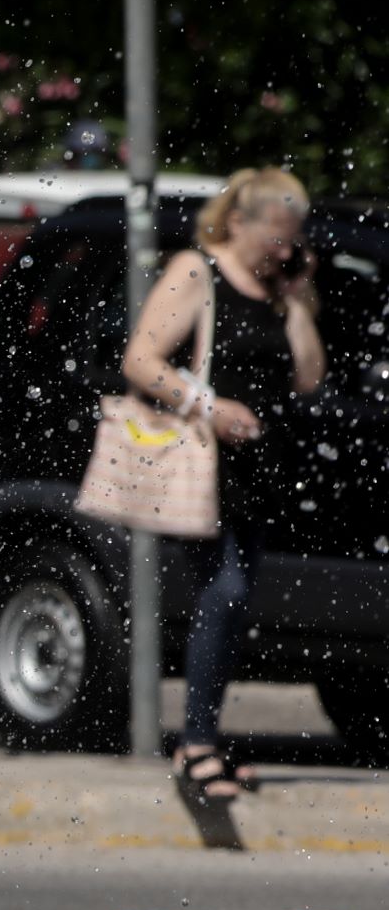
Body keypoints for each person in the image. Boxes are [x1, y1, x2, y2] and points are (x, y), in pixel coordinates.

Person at [121, 166, 324, 803]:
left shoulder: (275, 293)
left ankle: (207, 738)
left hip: (255, 473)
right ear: (239, 222)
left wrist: (297, 297)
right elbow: (141, 361)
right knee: (225, 593)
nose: (284, 251)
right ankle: (196, 745)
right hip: (202, 467)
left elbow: (309, 378)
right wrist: (209, 406)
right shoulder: (195, 272)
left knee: (235, 609)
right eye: (276, 238)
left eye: (293, 241)